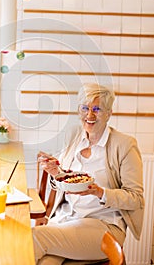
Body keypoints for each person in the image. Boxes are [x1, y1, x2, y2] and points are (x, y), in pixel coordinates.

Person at [32, 83, 144, 265]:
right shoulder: (74, 135)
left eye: (97, 109)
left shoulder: (125, 145)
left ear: (109, 113)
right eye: (85, 108)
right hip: (66, 218)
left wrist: (100, 192)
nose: (89, 115)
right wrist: (56, 173)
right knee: (45, 262)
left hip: (103, 226)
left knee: (35, 237)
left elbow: (136, 198)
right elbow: (64, 178)